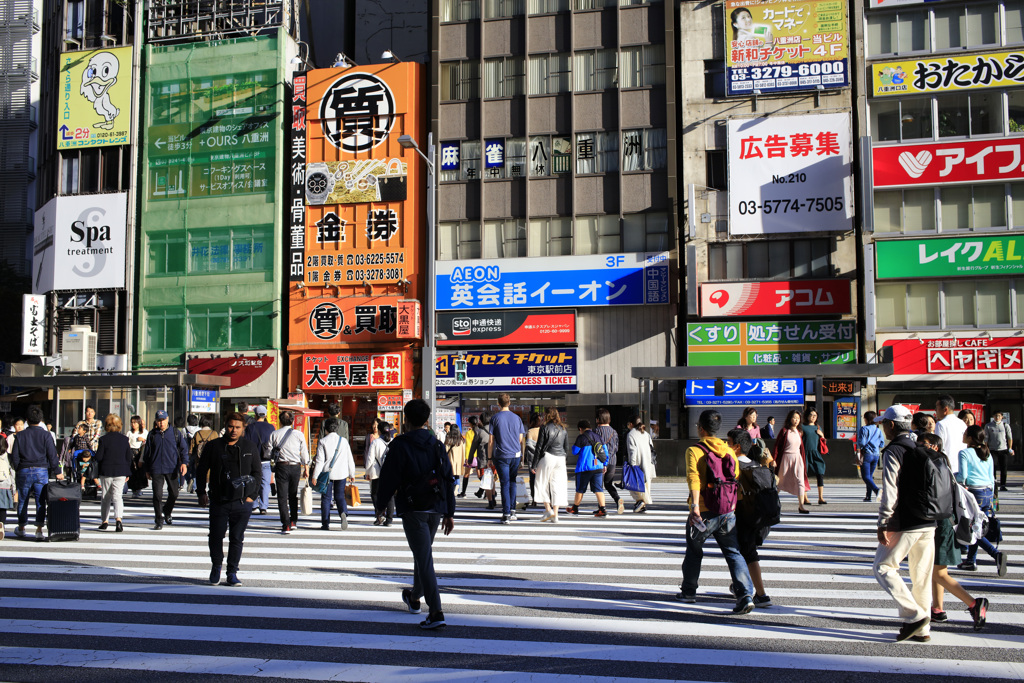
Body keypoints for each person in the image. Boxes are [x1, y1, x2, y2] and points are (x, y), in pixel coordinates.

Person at [374, 399, 456, 630]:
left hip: (413, 508)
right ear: (427, 420)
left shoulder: (400, 445)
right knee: (423, 556)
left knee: (424, 558)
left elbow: (389, 478)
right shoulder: (436, 444)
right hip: (435, 508)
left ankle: (436, 611)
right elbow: (448, 479)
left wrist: (381, 505)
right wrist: (449, 512)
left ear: (406, 420)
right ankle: (414, 597)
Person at [678, 410, 755, 614]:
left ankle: (689, 591)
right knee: (732, 552)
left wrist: (694, 506)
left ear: (701, 428)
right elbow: (735, 477)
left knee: (694, 551)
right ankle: (746, 594)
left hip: (703, 510)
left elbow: (693, 478)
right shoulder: (729, 451)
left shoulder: (694, 451)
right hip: (727, 511)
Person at [873, 404, 935, 643]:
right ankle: (922, 630)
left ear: (890, 425)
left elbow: (889, 490)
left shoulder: (893, 450)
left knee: (883, 567)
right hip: (929, 519)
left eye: (883, 424)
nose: (883, 428)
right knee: (921, 576)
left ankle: (915, 615)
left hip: (906, 521)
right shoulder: (921, 445)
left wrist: (883, 521)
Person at [918, 432, 989, 631]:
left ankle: (975, 604)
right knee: (938, 570)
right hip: (946, 523)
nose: (918, 446)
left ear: (934, 446)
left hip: (941, 525)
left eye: (922, 443)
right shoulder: (943, 464)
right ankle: (938, 609)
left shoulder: (935, 466)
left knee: (937, 572)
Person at [196, 412, 261, 587]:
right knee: (216, 536)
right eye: (231, 426)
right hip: (219, 499)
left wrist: (251, 496)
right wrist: (201, 492)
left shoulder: (249, 446)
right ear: (226, 426)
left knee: (237, 537)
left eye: (237, 427)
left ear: (243, 429)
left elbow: (257, 473)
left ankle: (232, 572)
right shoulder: (213, 446)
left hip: (242, 502)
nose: (234, 430)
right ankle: (216, 566)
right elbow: (202, 470)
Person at [727, 428, 775, 608]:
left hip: (743, 517)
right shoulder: (756, 465)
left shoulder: (736, 467)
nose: (726, 445)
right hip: (760, 518)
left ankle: (761, 595)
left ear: (737, 447)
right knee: (744, 552)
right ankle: (740, 583)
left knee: (746, 554)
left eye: (729, 443)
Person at [956, 425, 1007, 576]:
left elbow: (962, 477)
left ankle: (996, 554)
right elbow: (991, 477)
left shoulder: (964, 453)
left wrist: (954, 476)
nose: (963, 435)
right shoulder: (987, 453)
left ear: (970, 438)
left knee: (973, 529)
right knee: (978, 527)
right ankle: (971, 561)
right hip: (987, 493)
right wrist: (992, 499)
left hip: (974, 493)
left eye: (965, 433)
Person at [10, 407, 62, 540]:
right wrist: (57, 471)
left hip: (24, 469)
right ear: (40, 420)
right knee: (41, 500)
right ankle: (39, 529)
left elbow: (15, 456)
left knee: (22, 500)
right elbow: (52, 455)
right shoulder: (46, 435)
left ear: (26, 420)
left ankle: (21, 527)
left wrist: (18, 468)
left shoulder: (20, 435)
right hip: (41, 470)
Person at [141, 410, 188, 530]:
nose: (161, 423)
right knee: (157, 495)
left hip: (172, 467)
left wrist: (184, 463)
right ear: (156, 421)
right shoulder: (152, 434)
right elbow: (147, 453)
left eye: (163, 420)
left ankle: (167, 510)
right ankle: (158, 520)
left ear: (167, 419)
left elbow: (183, 449)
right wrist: (146, 469)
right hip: (156, 468)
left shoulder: (175, 433)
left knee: (174, 493)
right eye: (159, 420)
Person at [266, 411, 311, 534]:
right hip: (296, 467)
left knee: (282, 497)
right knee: (293, 494)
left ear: (280, 421)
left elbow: (268, 452)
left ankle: (285, 524)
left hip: (281, 466)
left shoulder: (274, 434)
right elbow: (304, 452)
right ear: (292, 421)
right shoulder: (299, 434)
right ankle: (293, 521)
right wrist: (306, 467)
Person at [312, 416, 354, 532]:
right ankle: (343, 513)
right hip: (341, 472)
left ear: (326, 429)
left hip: (327, 474)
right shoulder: (343, 441)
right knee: (340, 496)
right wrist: (352, 473)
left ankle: (325, 523)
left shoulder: (322, 441)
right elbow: (349, 458)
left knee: (326, 498)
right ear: (336, 428)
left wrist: (315, 476)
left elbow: (320, 461)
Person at [489, 394, 525, 524]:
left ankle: (506, 513)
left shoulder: (495, 418)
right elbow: (521, 440)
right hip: (515, 454)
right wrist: (522, 457)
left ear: (498, 403)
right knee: (512, 482)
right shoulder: (517, 418)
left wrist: (489, 457)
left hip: (501, 455)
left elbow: (491, 441)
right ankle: (513, 511)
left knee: (504, 483)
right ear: (509, 403)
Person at [93, 414, 132, 532]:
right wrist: (128, 472)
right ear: (119, 425)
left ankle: (105, 521)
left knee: (106, 497)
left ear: (107, 426)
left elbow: (99, 457)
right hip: (120, 471)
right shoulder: (124, 439)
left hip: (106, 471)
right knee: (117, 496)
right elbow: (128, 457)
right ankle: (118, 519)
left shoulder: (103, 439)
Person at [533, 407, 569, 523]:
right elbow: (566, 447)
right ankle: (556, 515)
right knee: (557, 486)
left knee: (542, 483)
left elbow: (539, 447)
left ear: (547, 415)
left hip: (548, 456)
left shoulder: (544, 427)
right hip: (561, 458)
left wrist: (534, 464)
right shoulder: (563, 428)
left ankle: (548, 510)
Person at [568, 420, 608, 518]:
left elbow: (574, 451)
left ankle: (575, 508)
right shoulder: (598, 437)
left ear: (580, 429)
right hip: (598, 467)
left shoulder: (581, 437)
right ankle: (602, 509)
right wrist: (605, 464)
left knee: (580, 489)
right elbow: (605, 452)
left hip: (584, 468)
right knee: (599, 489)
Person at [773, 410, 809, 514]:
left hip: (797, 458)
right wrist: (774, 459)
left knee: (800, 481)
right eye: (794, 418)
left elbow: (801, 448)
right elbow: (777, 446)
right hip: (785, 458)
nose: (796, 420)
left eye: (798, 418)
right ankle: (773, 504)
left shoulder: (799, 432)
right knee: (780, 481)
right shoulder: (784, 431)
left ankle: (801, 506)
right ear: (790, 419)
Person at [244, 405, 276, 516]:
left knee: (252, 482)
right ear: (265, 415)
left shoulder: (250, 427)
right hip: (266, 459)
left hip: (253, 459)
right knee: (265, 484)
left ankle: (253, 504)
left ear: (256, 415)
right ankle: (263, 506)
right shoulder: (271, 428)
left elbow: (246, 443)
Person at [364, 419, 395, 526]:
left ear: (380, 431)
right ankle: (389, 520)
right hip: (390, 472)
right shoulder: (393, 442)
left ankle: (380, 514)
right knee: (390, 496)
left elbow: (370, 459)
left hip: (377, 473)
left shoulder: (376, 442)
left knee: (375, 494)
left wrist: (367, 472)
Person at [594, 409, 622, 514]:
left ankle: (601, 507)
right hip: (612, 461)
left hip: (600, 462)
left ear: (597, 419)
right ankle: (618, 499)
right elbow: (616, 448)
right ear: (609, 419)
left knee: (599, 485)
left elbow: (595, 448)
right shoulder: (614, 432)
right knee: (608, 484)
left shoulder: (596, 431)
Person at [626, 416, 655, 513]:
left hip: (638, 464)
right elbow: (652, 448)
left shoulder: (631, 434)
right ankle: (641, 504)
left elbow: (632, 451)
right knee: (646, 485)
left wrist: (632, 465)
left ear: (631, 424)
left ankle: (640, 501)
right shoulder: (646, 434)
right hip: (648, 463)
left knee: (633, 485)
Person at [933, 394, 967, 477]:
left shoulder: (941, 424)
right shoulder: (962, 423)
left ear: (945, 409)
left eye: (937, 407)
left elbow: (939, 447)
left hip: (947, 466)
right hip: (962, 466)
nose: (935, 410)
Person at [858, 411, 886, 502]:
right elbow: (882, 444)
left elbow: (862, 443)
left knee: (865, 477)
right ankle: (868, 496)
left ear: (867, 419)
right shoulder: (878, 430)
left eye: (864, 418)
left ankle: (877, 490)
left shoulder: (864, 429)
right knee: (869, 476)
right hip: (876, 455)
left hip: (867, 454)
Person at [801, 408, 827, 505]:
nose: (813, 417)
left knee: (820, 473)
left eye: (815, 415)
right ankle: (805, 498)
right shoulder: (802, 427)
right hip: (805, 453)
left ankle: (821, 497)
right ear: (807, 416)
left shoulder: (818, 427)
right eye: (811, 415)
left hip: (815, 453)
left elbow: (823, 442)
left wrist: (822, 436)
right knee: (804, 475)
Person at [984, 412, 1013, 492]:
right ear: (993, 416)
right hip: (993, 450)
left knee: (1004, 468)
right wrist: (986, 449)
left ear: (1002, 417)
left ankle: (1003, 485)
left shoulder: (1005, 425)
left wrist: (1010, 448)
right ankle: (994, 483)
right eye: (996, 416)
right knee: (993, 467)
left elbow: (1010, 437)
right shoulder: (988, 426)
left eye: (999, 416)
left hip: (1003, 449)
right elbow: (986, 439)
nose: (997, 417)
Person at [471, 413, 495, 508]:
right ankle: (493, 498)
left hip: (484, 459)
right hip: (495, 459)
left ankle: (490, 502)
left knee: (487, 480)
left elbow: (473, 447)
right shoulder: (495, 430)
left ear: (481, 420)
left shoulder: (479, 432)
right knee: (492, 480)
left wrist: (469, 459)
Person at [126, 416, 148, 499]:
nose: (133, 424)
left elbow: (148, 443)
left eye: (135, 422)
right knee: (132, 471)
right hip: (131, 452)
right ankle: (134, 489)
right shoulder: (129, 433)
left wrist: (143, 439)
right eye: (132, 422)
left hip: (140, 452)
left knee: (140, 471)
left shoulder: (144, 432)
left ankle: (139, 488)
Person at [444, 426, 466, 499]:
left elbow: (445, 449)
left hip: (451, 459)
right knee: (457, 475)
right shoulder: (461, 439)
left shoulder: (449, 439)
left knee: (451, 475)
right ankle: (457, 487)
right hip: (459, 460)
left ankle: (452, 488)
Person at [459, 416, 477, 497]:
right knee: (480, 475)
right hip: (479, 456)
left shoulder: (469, 433)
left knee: (466, 474)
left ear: (470, 423)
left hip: (471, 456)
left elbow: (468, 446)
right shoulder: (480, 431)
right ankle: (485, 491)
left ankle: (463, 492)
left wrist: (467, 457)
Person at [525, 413, 540, 507]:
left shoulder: (530, 431)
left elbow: (529, 445)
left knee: (533, 480)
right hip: (543, 458)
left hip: (532, 459)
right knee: (543, 479)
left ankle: (534, 499)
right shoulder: (544, 430)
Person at [0, 437, 14, 540]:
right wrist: (13, 487)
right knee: (2, 508)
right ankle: (1, 524)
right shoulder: (8, 457)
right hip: (5, 485)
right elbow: (12, 473)